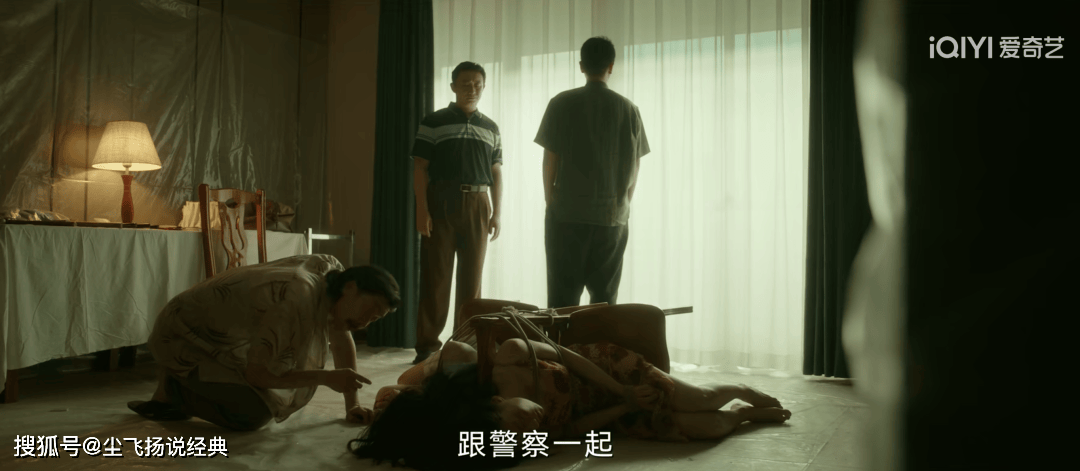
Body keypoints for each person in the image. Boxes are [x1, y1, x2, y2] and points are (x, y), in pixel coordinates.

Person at [350, 339, 791, 470]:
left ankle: (741, 389)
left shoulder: (509, 358)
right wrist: (624, 411)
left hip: (605, 371)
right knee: (705, 428)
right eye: (524, 434)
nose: (532, 424)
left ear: (499, 403)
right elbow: (577, 430)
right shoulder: (516, 438)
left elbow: (570, 355)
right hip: (610, 408)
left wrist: (622, 392)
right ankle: (745, 415)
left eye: (520, 421)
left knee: (700, 399)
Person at [127, 254, 400, 430]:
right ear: (351, 288)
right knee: (253, 413)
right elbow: (258, 375)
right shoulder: (298, 296)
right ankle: (173, 388)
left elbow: (341, 338)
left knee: (273, 393)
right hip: (182, 334)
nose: (366, 321)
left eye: (375, 319)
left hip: (222, 336)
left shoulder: (334, 279)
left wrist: (352, 405)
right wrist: (325, 377)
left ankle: (185, 383)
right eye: (369, 310)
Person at [534, 36, 651, 309]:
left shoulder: (561, 103)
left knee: (562, 300)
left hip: (566, 215)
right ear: (611, 66)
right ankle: (598, 340)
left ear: (581, 66)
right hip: (612, 217)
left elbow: (550, 159)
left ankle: (562, 340)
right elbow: (635, 163)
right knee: (604, 302)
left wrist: (550, 200)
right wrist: (623, 202)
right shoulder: (629, 109)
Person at [411, 61, 504, 364]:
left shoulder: (491, 127)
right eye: (465, 84)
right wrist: (422, 210)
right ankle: (427, 347)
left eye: (477, 84)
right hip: (442, 201)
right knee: (436, 276)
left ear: (484, 87)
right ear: (453, 86)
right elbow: (420, 167)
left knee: (471, 280)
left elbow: (496, 172)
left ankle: (464, 345)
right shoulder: (434, 121)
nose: (472, 89)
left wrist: (497, 212)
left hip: (479, 203)